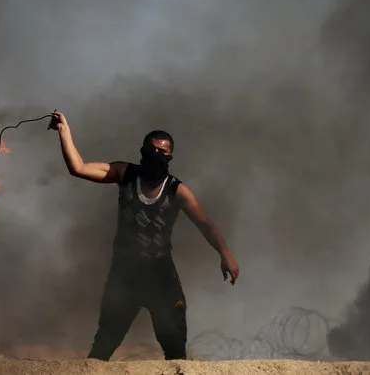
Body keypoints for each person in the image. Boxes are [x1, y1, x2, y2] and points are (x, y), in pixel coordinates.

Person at [49, 111, 240, 361]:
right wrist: (64, 132)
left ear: (170, 156)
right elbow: (79, 167)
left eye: (163, 151)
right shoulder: (124, 174)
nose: (157, 155)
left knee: (174, 346)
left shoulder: (176, 190)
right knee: (104, 343)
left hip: (160, 275)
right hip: (124, 275)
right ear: (142, 150)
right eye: (152, 149)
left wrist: (225, 254)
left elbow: (204, 223)